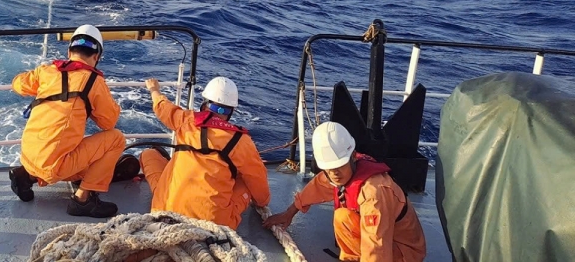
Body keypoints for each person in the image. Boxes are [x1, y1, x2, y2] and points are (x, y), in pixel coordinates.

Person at [262, 122, 427, 261]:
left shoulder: (374, 194)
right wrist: (289, 213)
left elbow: (376, 247)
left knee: (348, 221)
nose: (334, 173)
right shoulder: (339, 174)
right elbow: (317, 187)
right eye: (329, 168)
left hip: (404, 252)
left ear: (353, 156)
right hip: (386, 243)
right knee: (343, 218)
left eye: (339, 165)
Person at [9, 24, 125, 218]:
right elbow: (109, 123)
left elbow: (18, 84)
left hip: (27, 156)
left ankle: (26, 175)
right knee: (116, 139)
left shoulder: (47, 71)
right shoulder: (94, 82)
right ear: (96, 57)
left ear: (69, 51)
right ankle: (82, 200)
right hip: (53, 167)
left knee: (70, 152)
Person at [140, 76, 271, 229]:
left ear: (204, 104)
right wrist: (263, 202)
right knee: (249, 179)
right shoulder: (241, 141)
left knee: (148, 155)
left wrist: (154, 89)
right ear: (230, 111)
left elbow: (162, 107)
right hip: (213, 224)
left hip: (164, 212)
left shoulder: (186, 120)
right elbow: (258, 182)